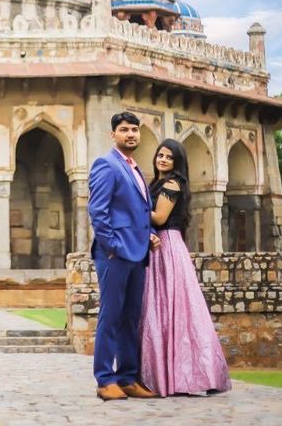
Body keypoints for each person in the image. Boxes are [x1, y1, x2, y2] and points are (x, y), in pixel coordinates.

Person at [139, 139, 232, 396]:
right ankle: (170, 375)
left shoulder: (172, 184)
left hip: (167, 246)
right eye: (161, 154)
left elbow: (159, 217)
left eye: (169, 157)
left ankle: (186, 376)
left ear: (177, 162)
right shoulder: (157, 184)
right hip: (162, 245)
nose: (163, 159)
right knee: (167, 308)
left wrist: (130, 208)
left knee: (175, 308)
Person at [88, 112, 160, 401]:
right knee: (111, 316)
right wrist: (114, 247)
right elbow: (98, 212)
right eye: (123, 130)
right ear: (113, 135)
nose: (130, 134)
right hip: (115, 256)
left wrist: (146, 235)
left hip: (136, 253)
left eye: (134, 129)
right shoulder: (107, 164)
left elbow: (137, 213)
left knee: (131, 317)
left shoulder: (135, 168)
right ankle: (105, 379)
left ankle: (128, 377)